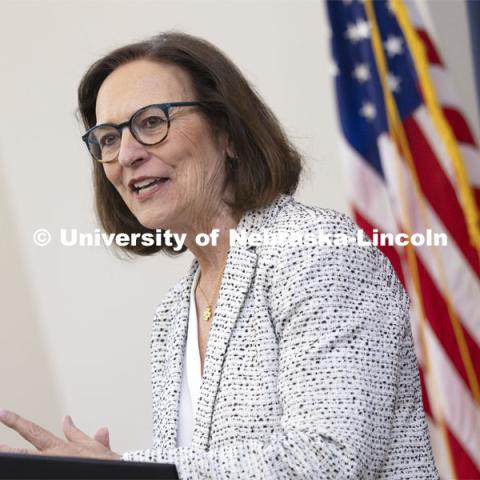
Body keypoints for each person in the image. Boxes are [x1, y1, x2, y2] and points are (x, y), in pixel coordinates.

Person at [0, 32, 438, 479]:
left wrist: (123, 469)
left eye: (151, 122)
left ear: (228, 133)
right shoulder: (171, 315)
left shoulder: (317, 250)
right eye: (108, 138)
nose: (126, 155)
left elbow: (330, 460)